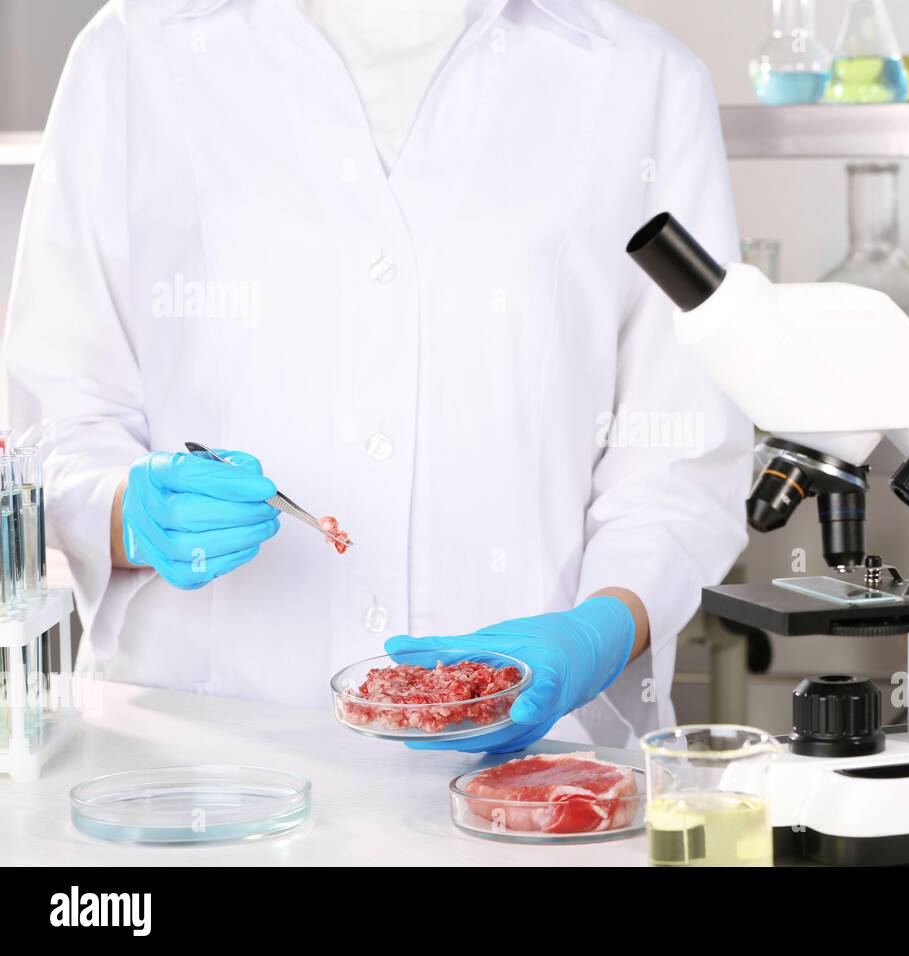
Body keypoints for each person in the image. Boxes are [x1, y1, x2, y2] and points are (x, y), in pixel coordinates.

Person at [2, 0, 750, 749]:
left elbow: (680, 461)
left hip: (529, 772)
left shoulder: (641, 79)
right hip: (196, 757)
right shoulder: (135, 48)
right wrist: (127, 509)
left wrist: (597, 630)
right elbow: (57, 420)